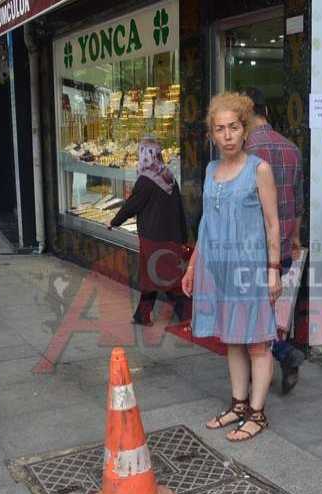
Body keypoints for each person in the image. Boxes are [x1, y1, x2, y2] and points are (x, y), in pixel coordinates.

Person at [183, 92, 281, 442]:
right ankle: (238, 405)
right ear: (211, 134)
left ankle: (257, 414)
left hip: (250, 268)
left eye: (233, 127)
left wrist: (273, 270)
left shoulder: (259, 169)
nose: (227, 135)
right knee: (233, 341)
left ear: (245, 131)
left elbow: (273, 224)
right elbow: (207, 223)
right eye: (220, 129)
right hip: (217, 268)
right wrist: (193, 266)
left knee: (257, 342)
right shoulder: (210, 170)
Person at [241, 88, 306, 395]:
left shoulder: (242, 154)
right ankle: (274, 358)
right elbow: (297, 203)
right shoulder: (291, 148)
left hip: (250, 248)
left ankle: (281, 354)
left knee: (251, 313)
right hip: (280, 248)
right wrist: (293, 238)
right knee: (262, 309)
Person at [108, 138, 190, 325]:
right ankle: (142, 314)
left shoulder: (146, 180)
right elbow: (179, 208)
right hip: (171, 235)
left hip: (153, 237)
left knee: (164, 277)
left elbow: (131, 206)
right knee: (154, 276)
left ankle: (187, 315)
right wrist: (182, 236)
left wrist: (114, 221)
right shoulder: (168, 175)